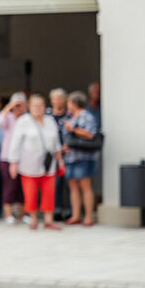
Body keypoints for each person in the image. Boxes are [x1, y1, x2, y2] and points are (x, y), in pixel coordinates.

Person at [8, 93, 65, 230]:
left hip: (48, 163)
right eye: (35, 105)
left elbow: (56, 142)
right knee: (30, 193)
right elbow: (15, 143)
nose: (38, 108)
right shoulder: (23, 121)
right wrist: (13, 163)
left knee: (49, 192)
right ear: (29, 107)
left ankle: (48, 220)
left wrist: (60, 161)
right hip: (29, 164)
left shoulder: (50, 120)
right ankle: (33, 219)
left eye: (41, 105)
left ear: (45, 107)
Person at [62, 90, 99, 226]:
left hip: (84, 156)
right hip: (71, 156)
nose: (67, 104)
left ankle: (89, 217)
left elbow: (90, 134)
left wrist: (73, 130)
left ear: (75, 103)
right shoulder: (72, 117)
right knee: (73, 186)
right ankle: (76, 215)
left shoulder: (86, 116)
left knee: (85, 186)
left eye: (69, 102)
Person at [0, 92, 28, 223]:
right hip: (7, 158)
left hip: (25, 158)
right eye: (16, 104)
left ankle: (23, 214)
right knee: (10, 187)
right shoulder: (7, 117)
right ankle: (9, 215)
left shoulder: (27, 118)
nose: (18, 107)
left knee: (23, 188)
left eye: (21, 104)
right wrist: (9, 107)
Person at [48, 88, 70, 220]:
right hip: (51, 155)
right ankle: (56, 209)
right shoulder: (47, 115)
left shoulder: (69, 115)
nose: (56, 101)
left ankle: (69, 210)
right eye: (54, 98)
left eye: (59, 98)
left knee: (68, 182)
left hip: (67, 153)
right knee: (54, 183)